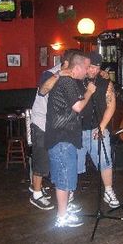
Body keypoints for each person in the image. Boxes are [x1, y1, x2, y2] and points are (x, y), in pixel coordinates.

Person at [45, 52, 96, 227]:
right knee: (63, 179)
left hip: (64, 137)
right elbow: (78, 106)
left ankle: (64, 210)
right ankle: (61, 217)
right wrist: (89, 92)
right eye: (87, 67)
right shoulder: (66, 82)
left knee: (65, 177)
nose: (88, 70)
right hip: (62, 137)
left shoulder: (70, 81)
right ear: (78, 67)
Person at [28, 49, 80, 210]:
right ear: (66, 63)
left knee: (59, 161)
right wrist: (59, 74)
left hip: (57, 125)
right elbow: (43, 90)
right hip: (41, 122)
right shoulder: (49, 73)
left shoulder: (73, 77)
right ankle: (36, 193)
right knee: (41, 159)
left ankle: (63, 195)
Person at [77, 51, 120, 208]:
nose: (93, 70)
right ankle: (68, 196)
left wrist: (102, 127)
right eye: (91, 67)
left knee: (105, 161)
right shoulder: (76, 81)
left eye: (97, 67)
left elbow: (111, 105)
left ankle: (108, 191)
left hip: (98, 130)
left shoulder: (105, 83)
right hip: (78, 131)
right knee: (74, 165)